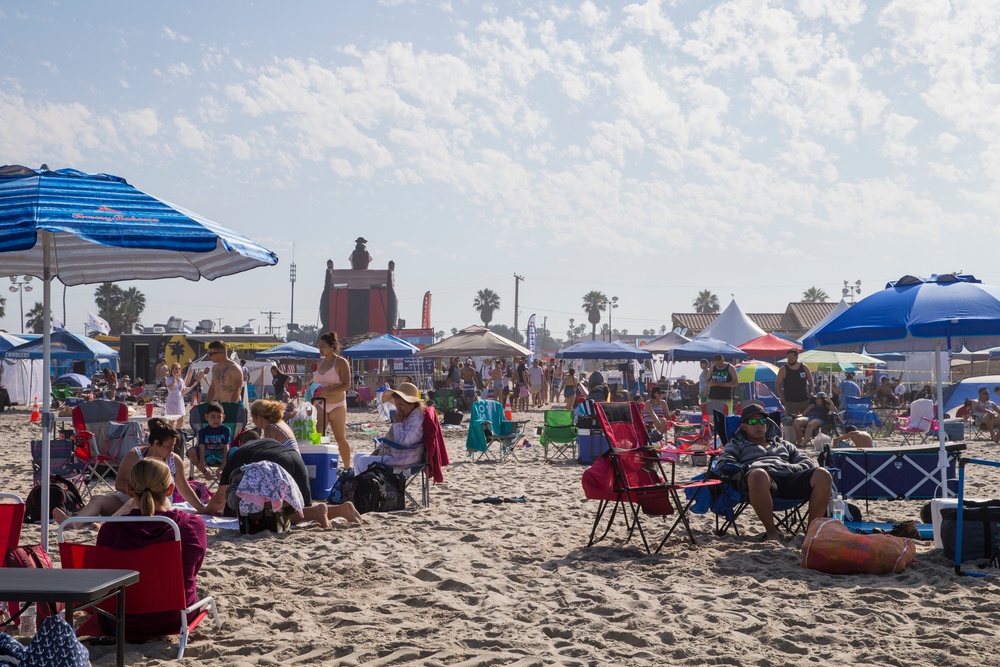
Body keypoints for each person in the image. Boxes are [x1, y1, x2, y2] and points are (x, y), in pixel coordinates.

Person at [90, 457, 207, 639]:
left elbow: (103, 579)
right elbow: (192, 571)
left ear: (129, 490)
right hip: (174, 617)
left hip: (119, 621)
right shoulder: (191, 525)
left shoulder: (109, 530)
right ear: (170, 489)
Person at [54, 418, 206, 525]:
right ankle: (73, 524)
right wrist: (138, 489)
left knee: (137, 501)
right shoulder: (135, 455)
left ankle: (105, 525)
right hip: (130, 497)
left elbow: (183, 486)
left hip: (159, 502)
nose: (172, 449)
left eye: (174, 446)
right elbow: (119, 484)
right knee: (98, 499)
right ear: (155, 443)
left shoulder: (174, 459)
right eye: (168, 446)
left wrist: (201, 508)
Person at [717, 404, 833, 542]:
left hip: (790, 479)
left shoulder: (782, 444)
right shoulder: (736, 444)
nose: (759, 425)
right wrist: (745, 469)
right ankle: (772, 533)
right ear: (743, 427)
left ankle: (812, 533)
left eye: (762, 422)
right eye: (753, 422)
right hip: (763, 483)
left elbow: (806, 461)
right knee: (757, 474)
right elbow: (724, 461)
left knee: (823, 474)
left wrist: (792, 468)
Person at [200, 438, 363, 526]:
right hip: (296, 460)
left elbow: (220, 498)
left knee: (277, 514)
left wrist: (204, 512)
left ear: (241, 443)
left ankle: (318, 511)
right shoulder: (266, 442)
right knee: (300, 508)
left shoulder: (238, 454)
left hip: (278, 463)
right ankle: (342, 509)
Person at [354, 382, 426, 473]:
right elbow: (390, 436)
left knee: (362, 461)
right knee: (357, 457)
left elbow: (402, 442)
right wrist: (376, 452)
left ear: (411, 404)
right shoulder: (407, 414)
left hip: (405, 459)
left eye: (400, 404)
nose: (398, 408)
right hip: (397, 454)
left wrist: (397, 422)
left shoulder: (416, 419)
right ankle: (360, 486)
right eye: (396, 404)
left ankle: (367, 486)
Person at [313, 332, 352, 468]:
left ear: (332, 346)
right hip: (320, 403)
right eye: (319, 345)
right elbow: (318, 381)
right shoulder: (320, 362)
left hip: (337, 404)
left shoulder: (341, 362)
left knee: (340, 438)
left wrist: (328, 390)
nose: (320, 349)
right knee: (319, 437)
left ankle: (347, 467)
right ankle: (322, 465)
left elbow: (346, 385)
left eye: (323, 346)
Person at [190, 401, 231, 480]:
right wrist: (202, 460)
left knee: (235, 450)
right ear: (206, 417)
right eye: (213, 417)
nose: (216, 420)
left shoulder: (226, 430)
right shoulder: (203, 431)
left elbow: (226, 445)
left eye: (219, 417)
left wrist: (224, 462)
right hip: (207, 454)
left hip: (221, 454)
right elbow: (201, 445)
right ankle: (205, 473)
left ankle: (223, 474)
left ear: (223, 417)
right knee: (191, 451)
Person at [775, 349, 813, 417]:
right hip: (790, 401)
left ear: (797, 357)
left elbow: (810, 380)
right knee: (791, 422)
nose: (790, 359)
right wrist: (781, 397)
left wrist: (810, 391)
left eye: (792, 357)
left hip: (804, 400)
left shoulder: (804, 367)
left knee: (805, 420)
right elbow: (778, 384)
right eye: (789, 357)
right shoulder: (783, 369)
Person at [164, 363, 195, 429]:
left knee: (181, 419)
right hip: (172, 401)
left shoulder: (181, 380)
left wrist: (191, 387)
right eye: (176, 368)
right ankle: (170, 433)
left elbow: (183, 391)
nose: (177, 370)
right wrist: (174, 380)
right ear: (172, 370)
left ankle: (178, 432)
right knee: (172, 420)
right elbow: (171, 389)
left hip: (179, 401)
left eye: (179, 369)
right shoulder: (169, 379)